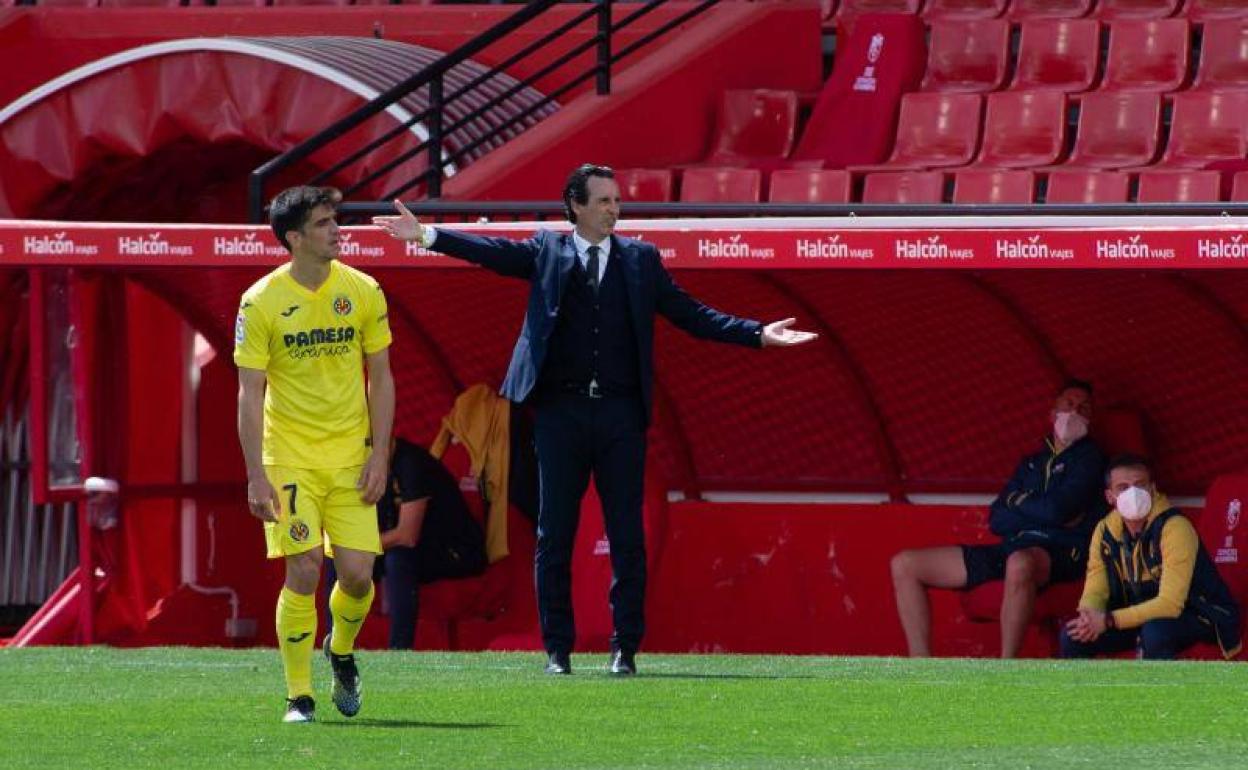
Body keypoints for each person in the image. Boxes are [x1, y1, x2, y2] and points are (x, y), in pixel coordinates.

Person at [374, 163, 817, 676]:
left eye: (616, 200)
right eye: (603, 200)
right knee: (553, 534)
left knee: (627, 534)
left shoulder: (641, 260)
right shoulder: (547, 252)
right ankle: (557, 652)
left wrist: (757, 333)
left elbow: (690, 314)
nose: (614, 209)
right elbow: (490, 252)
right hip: (559, 415)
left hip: (619, 414)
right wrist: (426, 235)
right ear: (576, 206)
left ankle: (624, 649)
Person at [235, 185, 395, 723]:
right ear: (294, 238)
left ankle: (342, 652)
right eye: (325, 223)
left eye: (336, 220)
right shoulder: (260, 301)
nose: (337, 230)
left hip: (352, 457)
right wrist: (256, 475)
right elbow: (249, 392)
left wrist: (381, 457)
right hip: (290, 458)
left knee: (356, 577)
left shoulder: (364, 289)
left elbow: (383, 378)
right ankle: (297, 695)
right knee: (303, 568)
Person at [890, 380, 1107, 657]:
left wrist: (1020, 503)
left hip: (1062, 551)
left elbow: (1057, 511)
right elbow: (997, 519)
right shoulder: (1031, 462)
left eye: (1083, 408)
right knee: (905, 564)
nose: (1075, 412)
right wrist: (1036, 509)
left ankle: (1006, 667)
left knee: (1020, 563)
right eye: (1069, 405)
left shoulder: (1090, 459)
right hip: (1012, 545)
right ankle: (919, 665)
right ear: (1052, 413)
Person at [1061, 455, 1242, 660]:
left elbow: (1170, 605)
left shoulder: (1175, 527)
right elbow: (1096, 588)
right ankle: (1089, 693)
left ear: (1152, 489)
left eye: (1140, 485)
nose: (1133, 493)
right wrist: (1088, 616)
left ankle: (1166, 691)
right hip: (1140, 615)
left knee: (1155, 633)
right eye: (1123, 487)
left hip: (1200, 614)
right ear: (1110, 496)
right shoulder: (1104, 531)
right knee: (1073, 636)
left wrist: (1109, 620)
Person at [328, 437, 489, 650]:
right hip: (418, 548)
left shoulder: (412, 463)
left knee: (398, 558)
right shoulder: (364, 467)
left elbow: (407, 535)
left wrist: (358, 545)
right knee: (337, 557)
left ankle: (399, 650)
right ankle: (336, 646)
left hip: (456, 552)